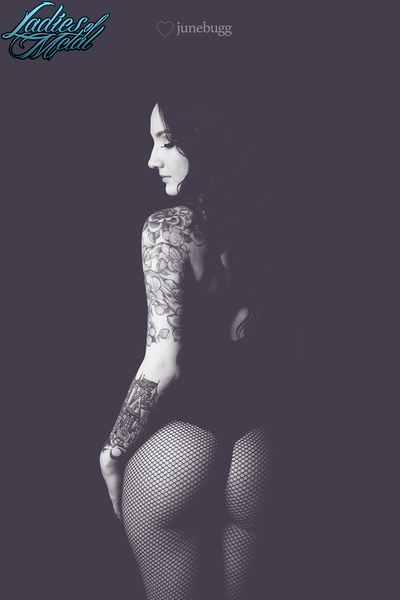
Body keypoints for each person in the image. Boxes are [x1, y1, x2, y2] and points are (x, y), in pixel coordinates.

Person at [100, 78, 287, 600]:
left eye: (165, 141)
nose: (151, 159)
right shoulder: (275, 226)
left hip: (181, 446)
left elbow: (165, 360)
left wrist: (113, 451)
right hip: (260, 448)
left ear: (202, 140)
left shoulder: (168, 228)